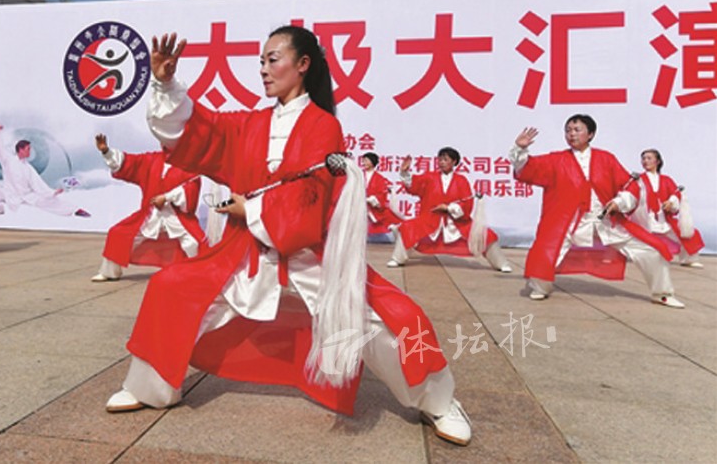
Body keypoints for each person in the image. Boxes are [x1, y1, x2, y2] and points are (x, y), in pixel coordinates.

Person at [106, 26, 472, 446]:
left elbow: (312, 195)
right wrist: (167, 83)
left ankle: (440, 402)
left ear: (302, 65)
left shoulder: (323, 127)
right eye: (261, 60)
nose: (263, 69)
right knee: (172, 288)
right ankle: (149, 388)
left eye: (272, 59)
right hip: (245, 251)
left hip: (308, 252)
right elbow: (200, 130)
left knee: (394, 318)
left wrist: (252, 209)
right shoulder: (250, 123)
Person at [510, 115, 683, 308]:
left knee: (650, 250)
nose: (571, 134)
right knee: (548, 249)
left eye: (577, 130)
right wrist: (520, 149)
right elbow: (528, 169)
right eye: (568, 130)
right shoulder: (556, 160)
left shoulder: (606, 159)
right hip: (570, 220)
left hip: (605, 219)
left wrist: (620, 202)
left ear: (590, 134)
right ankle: (541, 287)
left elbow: (630, 186)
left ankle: (663, 293)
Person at [91, 133, 207, 282]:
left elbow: (190, 188)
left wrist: (166, 198)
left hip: (177, 217)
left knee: (193, 243)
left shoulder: (189, 164)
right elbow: (128, 162)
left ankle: (200, 273)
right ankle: (109, 272)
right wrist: (106, 151)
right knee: (118, 233)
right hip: (150, 215)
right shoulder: (151, 160)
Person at [387, 148, 512, 273]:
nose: (442, 162)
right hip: (429, 219)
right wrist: (404, 173)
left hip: (457, 221)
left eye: (445, 159)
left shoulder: (461, 180)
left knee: (486, 234)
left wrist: (448, 208)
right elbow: (414, 186)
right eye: (440, 159)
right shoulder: (429, 177)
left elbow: (467, 203)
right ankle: (397, 259)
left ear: (454, 162)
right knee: (408, 227)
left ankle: (501, 263)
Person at [0, 125, 90, 217]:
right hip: (9, 194)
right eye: (28, 149)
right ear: (20, 150)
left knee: (48, 201)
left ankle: (75, 210)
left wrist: (52, 192)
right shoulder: (8, 159)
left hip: (27, 196)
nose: (30, 151)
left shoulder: (28, 168)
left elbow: (38, 184)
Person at [631, 149, 705, 268]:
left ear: (658, 161)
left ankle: (688, 259)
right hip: (644, 217)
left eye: (649, 158)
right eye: (643, 158)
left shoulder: (666, 180)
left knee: (689, 233)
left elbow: (676, 194)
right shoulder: (638, 179)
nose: (645, 161)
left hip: (662, 218)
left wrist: (671, 202)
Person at [360, 152, 403, 238]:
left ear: (373, 162)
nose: (363, 163)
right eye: (363, 161)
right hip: (359, 206)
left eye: (366, 161)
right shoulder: (359, 175)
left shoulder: (380, 179)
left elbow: (382, 194)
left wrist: (372, 199)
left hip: (373, 208)